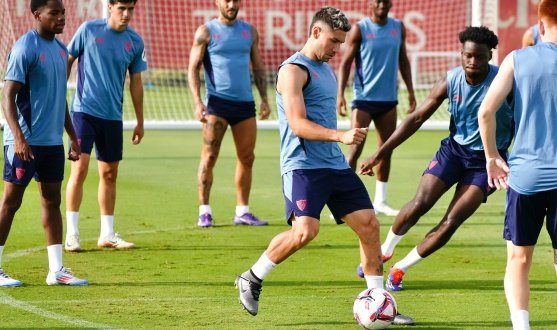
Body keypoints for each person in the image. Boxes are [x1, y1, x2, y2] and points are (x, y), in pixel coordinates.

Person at [234, 7, 413, 325]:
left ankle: (380, 302)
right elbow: (298, 124)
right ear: (315, 32)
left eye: (341, 43)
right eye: (333, 41)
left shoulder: (326, 69)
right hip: (302, 165)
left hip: (333, 166)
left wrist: (340, 138)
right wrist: (340, 135)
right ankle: (252, 277)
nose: (337, 49)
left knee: (369, 226)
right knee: (305, 231)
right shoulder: (292, 71)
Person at [355, 26, 514, 291]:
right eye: (468, 56)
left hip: (486, 162)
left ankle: (399, 269)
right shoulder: (450, 80)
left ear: (490, 56)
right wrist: (378, 154)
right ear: (460, 53)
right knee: (420, 203)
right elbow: (416, 118)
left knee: (451, 221)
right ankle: (384, 252)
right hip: (453, 152)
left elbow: (525, 119)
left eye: (480, 57)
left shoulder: (504, 84)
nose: (473, 62)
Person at [478, 1, 557, 328]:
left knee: (519, 259)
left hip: (526, 178)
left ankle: (521, 326)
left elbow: (485, 112)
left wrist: (492, 157)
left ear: (539, 26)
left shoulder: (518, 59)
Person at [0, 0, 88, 286]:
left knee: (52, 201)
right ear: (37, 15)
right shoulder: (25, 47)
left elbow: (59, 98)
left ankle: (57, 271)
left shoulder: (62, 51)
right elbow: (8, 97)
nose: (62, 18)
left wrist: (73, 137)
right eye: (54, 13)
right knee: (11, 202)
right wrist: (20, 139)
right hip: (24, 143)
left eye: (63, 12)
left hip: (52, 143)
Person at [64, 0, 148, 252]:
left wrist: (140, 121)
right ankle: (72, 233)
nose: (126, 14)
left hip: (113, 117)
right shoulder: (89, 30)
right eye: (122, 8)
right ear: (110, 6)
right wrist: (58, 94)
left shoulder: (135, 41)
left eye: (130, 9)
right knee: (79, 170)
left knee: (109, 174)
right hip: (83, 112)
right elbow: (67, 60)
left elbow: (136, 82)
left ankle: (107, 234)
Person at [188, 0, 271, 228]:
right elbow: (193, 68)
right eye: (227, 0)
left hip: (245, 105)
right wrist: (197, 102)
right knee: (209, 157)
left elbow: (258, 66)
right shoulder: (206, 32)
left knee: (247, 157)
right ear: (217, 2)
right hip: (217, 105)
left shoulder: (249, 31)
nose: (232, 4)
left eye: (236, 0)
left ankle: (242, 211)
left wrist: (264, 98)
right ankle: (204, 211)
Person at [337, 0, 416, 216]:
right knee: (354, 150)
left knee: (386, 149)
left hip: (389, 100)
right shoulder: (360, 29)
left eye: (386, 1)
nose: (382, 4)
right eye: (378, 0)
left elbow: (403, 60)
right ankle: (342, 200)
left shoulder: (398, 27)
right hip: (363, 99)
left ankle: (380, 200)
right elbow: (345, 63)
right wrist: (340, 95)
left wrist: (410, 91)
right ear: (371, 3)